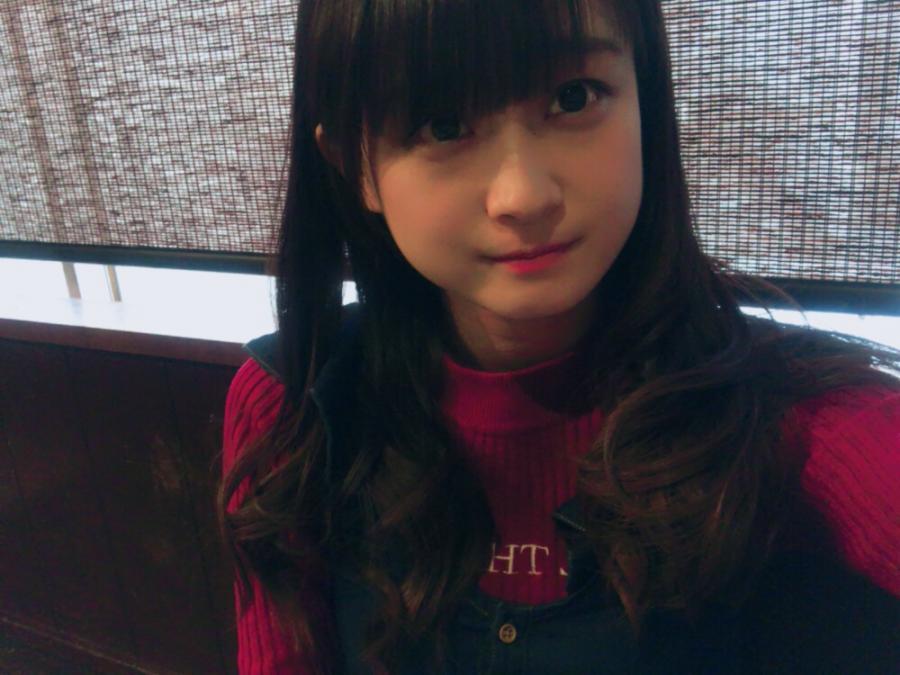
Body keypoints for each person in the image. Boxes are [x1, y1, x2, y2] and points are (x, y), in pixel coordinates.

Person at [216, 0, 900, 673]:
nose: (524, 197)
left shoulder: (800, 418)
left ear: (645, 96)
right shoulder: (292, 410)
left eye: (574, 97)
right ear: (355, 164)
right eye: (442, 125)